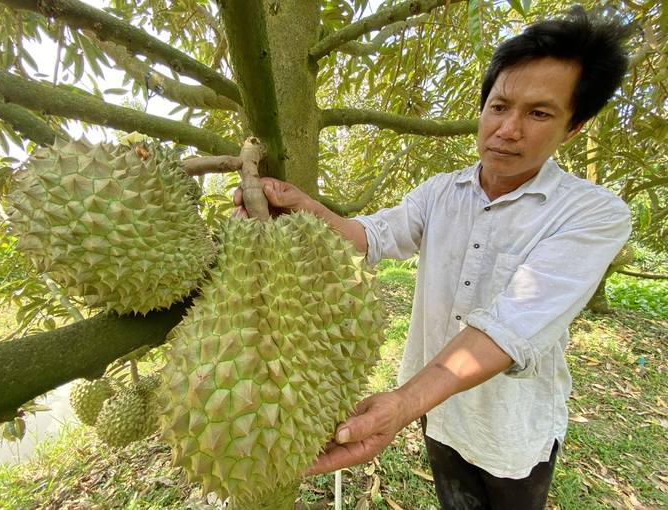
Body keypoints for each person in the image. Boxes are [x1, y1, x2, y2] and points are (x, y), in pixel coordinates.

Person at [234, 7, 633, 509]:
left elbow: (512, 326)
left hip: (510, 427)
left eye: (538, 113)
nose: (507, 128)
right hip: (437, 416)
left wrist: (401, 403)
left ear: (573, 126)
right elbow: (370, 236)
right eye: (498, 105)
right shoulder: (442, 193)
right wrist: (302, 205)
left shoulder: (593, 214)